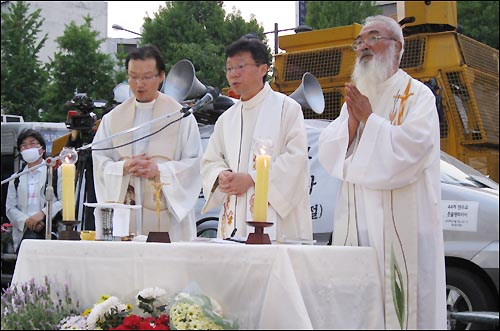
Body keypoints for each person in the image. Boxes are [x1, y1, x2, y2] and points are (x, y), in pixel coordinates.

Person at [318, 15, 446, 329]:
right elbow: (330, 152)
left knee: (405, 307)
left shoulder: (417, 96)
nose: (363, 46)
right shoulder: (358, 94)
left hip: (405, 228)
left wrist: (370, 121)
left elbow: (412, 152)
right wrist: (351, 123)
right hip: (359, 223)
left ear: (397, 47)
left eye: (372, 38)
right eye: (359, 41)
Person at [200, 36, 312, 242]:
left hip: (276, 219)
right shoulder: (226, 119)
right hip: (234, 216)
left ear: (263, 69)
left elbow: (296, 160)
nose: (234, 74)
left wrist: (251, 178)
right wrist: (221, 175)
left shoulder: (287, 109)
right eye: (229, 68)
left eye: (241, 66)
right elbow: (210, 160)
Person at [92, 45, 202, 241]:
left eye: (146, 77)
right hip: (126, 218)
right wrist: (123, 168)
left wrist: (159, 170)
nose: (139, 84)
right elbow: (99, 160)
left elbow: (194, 164)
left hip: (168, 219)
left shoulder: (180, 117)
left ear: (161, 76)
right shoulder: (112, 119)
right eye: (133, 77)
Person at [6, 129, 62, 252]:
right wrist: (27, 221)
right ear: (20, 151)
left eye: (32, 143)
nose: (28, 147)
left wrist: (42, 214)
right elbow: (10, 208)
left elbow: (64, 201)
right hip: (24, 233)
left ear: (42, 149)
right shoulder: (15, 178)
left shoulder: (55, 173)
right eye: (24, 145)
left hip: (50, 230)